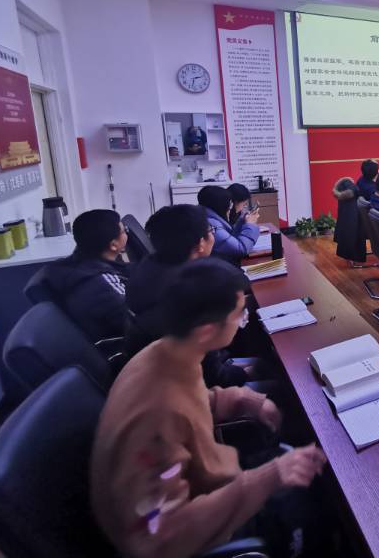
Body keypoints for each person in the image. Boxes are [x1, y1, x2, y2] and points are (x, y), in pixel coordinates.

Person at [91, 259, 328, 558]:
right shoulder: (155, 418)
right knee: (320, 500)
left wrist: (244, 400)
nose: (243, 319)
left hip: (208, 484)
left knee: (305, 460)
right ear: (206, 331)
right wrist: (269, 477)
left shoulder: (166, 352)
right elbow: (158, 536)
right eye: (239, 314)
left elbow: (190, 402)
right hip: (198, 528)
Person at [125, 205, 257, 388]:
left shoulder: (150, 268)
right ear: (200, 244)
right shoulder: (191, 293)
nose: (213, 236)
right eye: (211, 230)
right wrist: (247, 372)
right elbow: (215, 376)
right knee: (278, 381)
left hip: (167, 376)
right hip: (197, 387)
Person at [30, 209, 130, 343]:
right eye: (124, 231)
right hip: (118, 344)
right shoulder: (101, 283)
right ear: (113, 245)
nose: (127, 233)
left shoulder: (74, 264)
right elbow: (134, 320)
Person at [199, 185, 260, 263]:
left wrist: (243, 222)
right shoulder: (213, 227)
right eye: (229, 206)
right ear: (221, 207)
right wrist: (250, 225)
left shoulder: (207, 218)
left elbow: (230, 237)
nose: (230, 210)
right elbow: (241, 249)